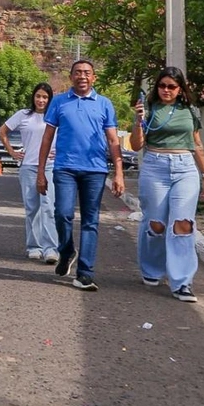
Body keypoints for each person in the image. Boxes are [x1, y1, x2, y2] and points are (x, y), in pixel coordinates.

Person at [37, 60, 125, 291]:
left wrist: (119, 173)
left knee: (90, 221)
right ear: (71, 77)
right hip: (65, 168)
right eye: (78, 72)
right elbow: (47, 138)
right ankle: (67, 251)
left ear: (94, 77)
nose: (82, 76)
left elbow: (113, 140)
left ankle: (85, 273)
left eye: (87, 73)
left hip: (95, 170)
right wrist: (40, 172)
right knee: (62, 213)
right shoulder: (59, 102)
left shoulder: (104, 104)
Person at [129, 66, 204, 303]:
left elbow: (197, 143)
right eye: (162, 86)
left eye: (172, 86)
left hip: (185, 167)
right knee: (156, 224)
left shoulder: (190, 110)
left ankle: (182, 282)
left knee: (183, 224)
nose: (166, 90)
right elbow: (136, 145)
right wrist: (138, 121)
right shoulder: (149, 109)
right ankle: (152, 269)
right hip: (155, 166)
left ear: (180, 89)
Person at [0, 82, 59, 264]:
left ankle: (51, 248)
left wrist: (60, 151)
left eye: (45, 97)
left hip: (50, 166)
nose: (41, 100)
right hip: (28, 167)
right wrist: (12, 152)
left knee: (48, 207)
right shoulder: (23, 115)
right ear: (33, 97)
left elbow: (68, 136)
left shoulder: (55, 115)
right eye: (38, 96)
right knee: (32, 207)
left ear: (49, 99)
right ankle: (34, 246)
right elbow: (2, 131)